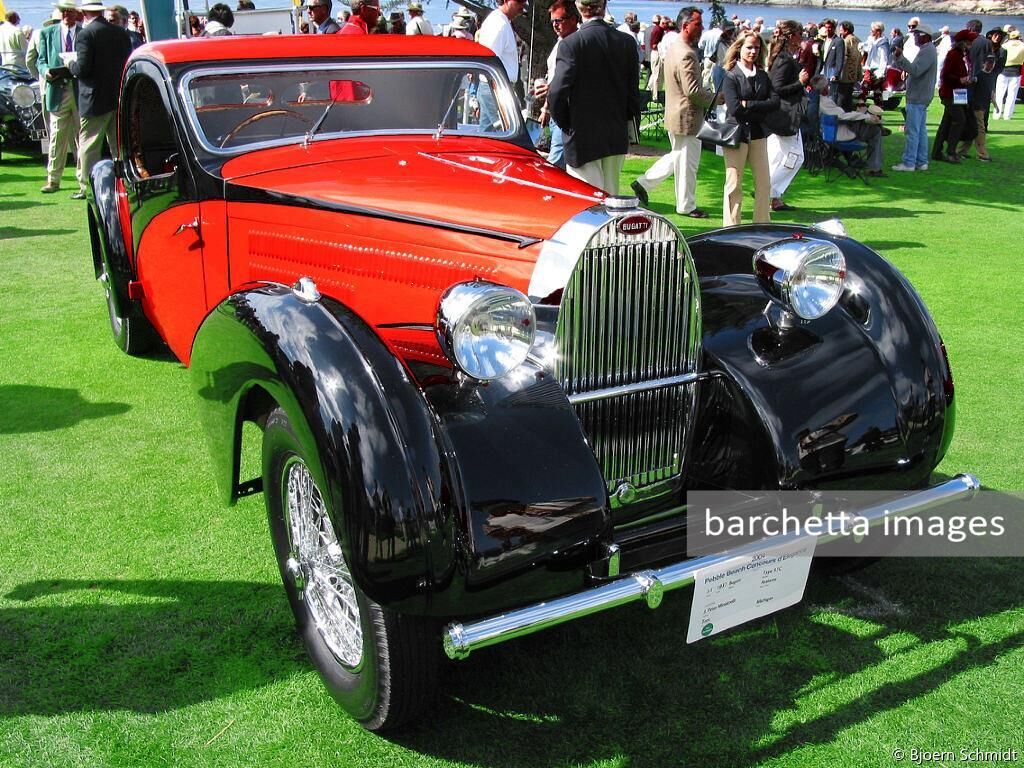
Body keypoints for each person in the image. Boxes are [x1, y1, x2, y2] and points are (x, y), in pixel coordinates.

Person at [547, 0, 640, 195]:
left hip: (583, 136)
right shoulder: (627, 42)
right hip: (615, 132)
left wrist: (567, 124)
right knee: (611, 197)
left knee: (587, 203)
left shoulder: (571, 44)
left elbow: (556, 93)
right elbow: (633, 94)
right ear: (604, 5)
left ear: (579, 7)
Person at [630, 7, 713, 217]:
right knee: (687, 164)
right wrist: (715, 97)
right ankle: (686, 205)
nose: (702, 28)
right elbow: (693, 91)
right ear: (685, 26)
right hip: (687, 116)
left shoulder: (675, 47)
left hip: (677, 113)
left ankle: (643, 184)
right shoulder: (686, 53)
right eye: (698, 24)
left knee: (678, 157)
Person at [68, 0, 132, 200]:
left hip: (94, 98)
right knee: (117, 145)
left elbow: (82, 69)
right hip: (118, 95)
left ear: (84, 12)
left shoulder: (86, 34)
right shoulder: (121, 33)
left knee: (89, 145)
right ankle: (122, 182)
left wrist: (70, 64)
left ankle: (87, 186)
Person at [721, 31, 778, 225]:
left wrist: (750, 105)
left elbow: (775, 103)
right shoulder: (731, 76)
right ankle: (731, 227)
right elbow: (735, 108)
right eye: (749, 47)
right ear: (739, 49)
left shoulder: (762, 75)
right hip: (736, 135)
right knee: (734, 184)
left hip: (758, 134)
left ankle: (762, 225)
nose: (753, 51)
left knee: (764, 183)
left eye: (756, 47)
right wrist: (757, 107)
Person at [37, 0, 81, 194]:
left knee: (83, 137)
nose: (66, 15)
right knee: (56, 136)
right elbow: (40, 60)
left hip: (79, 90)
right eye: (63, 11)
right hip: (57, 90)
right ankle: (53, 179)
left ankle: (84, 181)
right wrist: (45, 70)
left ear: (76, 14)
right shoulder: (47, 33)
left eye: (69, 11)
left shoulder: (84, 33)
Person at [765, 19, 808, 212]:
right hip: (785, 114)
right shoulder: (783, 58)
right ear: (791, 36)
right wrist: (800, 83)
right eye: (800, 34)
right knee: (796, 157)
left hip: (781, 114)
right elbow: (777, 87)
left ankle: (774, 198)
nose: (802, 38)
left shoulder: (782, 56)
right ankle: (768, 191)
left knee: (776, 157)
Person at [535, 0, 579, 169]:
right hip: (555, 109)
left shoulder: (577, 43)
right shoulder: (560, 42)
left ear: (573, 19)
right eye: (552, 21)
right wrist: (546, 108)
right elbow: (554, 76)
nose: (555, 25)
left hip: (567, 111)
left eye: (559, 21)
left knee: (555, 163)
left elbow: (567, 79)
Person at [813, 75, 886, 177]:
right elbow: (842, 116)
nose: (829, 87)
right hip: (838, 133)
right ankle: (875, 168)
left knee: (868, 124)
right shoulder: (823, 103)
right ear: (824, 88)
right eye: (827, 85)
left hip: (836, 129)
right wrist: (863, 116)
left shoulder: (818, 100)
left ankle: (876, 126)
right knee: (875, 131)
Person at [890, 22, 937, 172]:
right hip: (921, 95)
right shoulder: (928, 50)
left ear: (925, 37)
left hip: (918, 96)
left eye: (917, 35)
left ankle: (909, 162)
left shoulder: (927, 51)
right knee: (920, 130)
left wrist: (900, 58)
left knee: (912, 131)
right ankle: (921, 161)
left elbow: (916, 71)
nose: (915, 37)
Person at [478, 0, 525, 130]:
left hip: (495, 87)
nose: (523, 5)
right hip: (495, 88)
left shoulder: (501, 22)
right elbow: (488, 61)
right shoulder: (498, 24)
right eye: (519, 1)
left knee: (489, 137)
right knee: (508, 133)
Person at [933, 30, 976, 164]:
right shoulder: (953, 54)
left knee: (946, 123)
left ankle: (937, 151)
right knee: (959, 120)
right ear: (963, 43)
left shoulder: (964, 55)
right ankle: (950, 151)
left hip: (958, 93)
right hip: (950, 93)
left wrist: (966, 80)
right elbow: (946, 75)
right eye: (969, 42)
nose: (971, 45)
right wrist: (960, 80)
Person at [993, 28, 1023, 120]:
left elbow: (1000, 58)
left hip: (1003, 71)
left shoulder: (1005, 46)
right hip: (1016, 72)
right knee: (1012, 95)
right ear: (1019, 37)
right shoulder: (1023, 46)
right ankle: (1007, 115)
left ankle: (997, 114)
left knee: (999, 95)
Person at [836, 20, 860, 111]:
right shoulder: (857, 40)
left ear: (846, 30)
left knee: (841, 99)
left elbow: (843, 58)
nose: (839, 31)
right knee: (848, 98)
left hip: (845, 74)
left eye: (840, 29)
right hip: (853, 74)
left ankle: (841, 119)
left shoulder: (845, 42)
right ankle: (849, 119)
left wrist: (838, 72)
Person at [817, 19, 844, 84]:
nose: (828, 29)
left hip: (832, 72)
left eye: (830, 27)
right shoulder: (824, 40)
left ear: (834, 28)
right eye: (826, 27)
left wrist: (836, 74)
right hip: (823, 70)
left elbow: (840, 59)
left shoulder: (838, 41)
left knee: (831, 93)